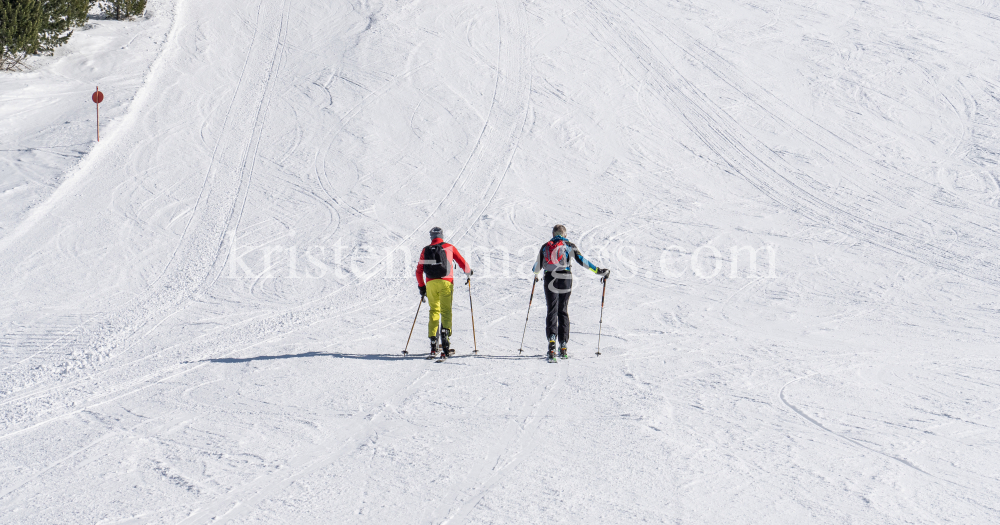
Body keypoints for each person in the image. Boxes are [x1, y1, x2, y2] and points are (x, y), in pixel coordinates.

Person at [532, 224, 610, 360]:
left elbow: (535, 268)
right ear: (565, 234)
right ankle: (563, 345)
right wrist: (598, 271)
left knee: (552, 309)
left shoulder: (545, 246)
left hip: (550, 277)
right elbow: (582, 261)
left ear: (553, 234)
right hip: (565, 278)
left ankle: (551, 342)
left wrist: (537, 274)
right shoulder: (569, 245)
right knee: (563, 309)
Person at [416, 227, 472, 359]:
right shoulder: (449, 247)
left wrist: (422, 287)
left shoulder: (425, 250)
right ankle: (445, 341)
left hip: (430, 284)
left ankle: (433, 342)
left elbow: (419, 271)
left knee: (434, 310)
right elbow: (462, 263)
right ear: (442, 235)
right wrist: (469, 273)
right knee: (446, 311)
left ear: (431, 236)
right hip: (446, 282)